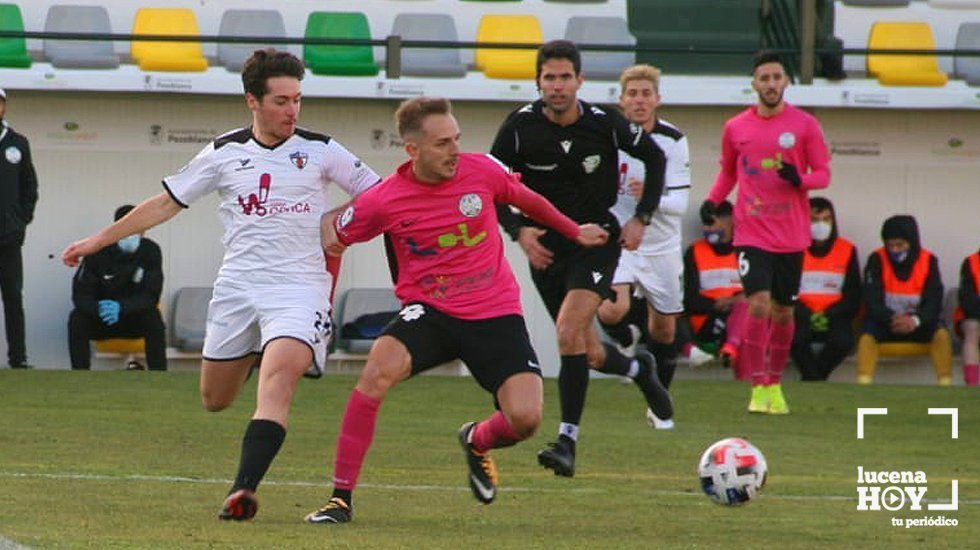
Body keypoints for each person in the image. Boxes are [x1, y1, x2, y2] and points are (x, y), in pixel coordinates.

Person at [61, 49, 381, 521]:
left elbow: (380, 196)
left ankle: (242, 492)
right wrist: (97, 240)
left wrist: (339, 222)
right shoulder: (224, 152)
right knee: (216, 399)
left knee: (276, 384)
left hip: (299, 288)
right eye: (280, 101)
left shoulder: (321, 150)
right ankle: (260, 347)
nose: (292, 110)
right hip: (237, 289)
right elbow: (165, 204)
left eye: (298, 100)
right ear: (252, 100)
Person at [304, 97, 609, 524]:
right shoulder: (383, 199)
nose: (454, 151)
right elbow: (332, 238)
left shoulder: (482, 170)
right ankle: (340, 498)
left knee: (525, 419)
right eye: (442, 143)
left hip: (495, 310)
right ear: (413, 150)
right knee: (375, 373)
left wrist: (574, 230)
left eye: (456, 140)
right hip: (430, 312)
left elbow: (528, 200)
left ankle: (477, 440)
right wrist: (319, 305)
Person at [491, 40, 672, 478]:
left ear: (580, 80)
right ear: (538, 82)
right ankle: (637, 367)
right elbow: (489, 185)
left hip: (596, 241)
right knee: (586, 351)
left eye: (565, 77)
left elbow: (655, 156)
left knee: (568, 331)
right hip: (547, 250)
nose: (557, 86)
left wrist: (640, 218)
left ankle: (567, 441)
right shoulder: (519, 127)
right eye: (549, 78)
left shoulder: (605, 123)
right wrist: (520, 232)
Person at [700, 50, 831, 414]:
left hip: (790, 236)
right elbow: (729, 171)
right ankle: (757, 385)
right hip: (751, 232)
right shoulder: (736, 127)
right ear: (754, 83)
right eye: (764, 78)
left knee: (783, 312)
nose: (771, 84)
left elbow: (823, 174)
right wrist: (712, 201)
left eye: (777, 77)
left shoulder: (805, 125)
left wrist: (800, 179)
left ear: (786, 81)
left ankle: (775, 383)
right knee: (757, 303)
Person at [596, 64, 689, 430]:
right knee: (608, 310)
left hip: (661, 245)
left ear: (657, 100)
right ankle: (628, 337)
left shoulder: (673, 140)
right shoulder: (608, 136)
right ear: (621, 101)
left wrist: (649, 199)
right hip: (620, 242)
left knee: (665, 331)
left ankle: (658, 401)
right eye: (632, 94)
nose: (639, 100)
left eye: (645, 94)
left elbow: (680, 205)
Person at [68, 205, 167, 371]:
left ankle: (159, 374)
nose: (133, 234)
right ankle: (80, 374)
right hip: (101, 319)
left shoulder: (151, 251)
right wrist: (98, 309)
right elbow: (81, 294)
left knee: (154, 320)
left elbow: (151, 295)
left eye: (138, 229)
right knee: (77, 319)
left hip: (133, 318)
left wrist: (122, 307)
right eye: (128, 229)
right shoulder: (97, 251)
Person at [857, 214, 952, 385]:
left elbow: (934, 301)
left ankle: (945, 384)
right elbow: (872, 300)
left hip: (918, 323)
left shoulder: (929, 261)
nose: (894, 250)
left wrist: (915, 321)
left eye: (900, 245)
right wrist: (893, 319)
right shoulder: (876, 259)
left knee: (942, 335)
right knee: (866, 337)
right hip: (886, 322)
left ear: (912, 242)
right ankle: (863, 383)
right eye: (890, 245)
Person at [791, 197, 859, 381]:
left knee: (844, 341)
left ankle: (813, 378)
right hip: (800, 316)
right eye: (814, 220)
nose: (820, 225)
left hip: (835, 316)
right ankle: (815, 378)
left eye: (826, 219)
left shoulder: (847, 249)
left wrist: (830, 314)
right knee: (793, 339)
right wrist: (805, 314)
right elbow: (784, 289)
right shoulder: (792, 249)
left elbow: (853, 293)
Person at [679, 200, 748, 378]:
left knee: (748, 311)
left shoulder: (746, 252)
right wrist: (723, 303)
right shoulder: (694, 252)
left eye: (711, 223)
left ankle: (732, 353)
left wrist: (734, 302)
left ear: (730, 221)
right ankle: (731, 349)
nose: (707, 229)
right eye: (704, 224)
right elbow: (690, 299)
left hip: (738, 319)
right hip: (706, 322)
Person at [0, 87, 38, 369]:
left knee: (13, 298)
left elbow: (29, 187)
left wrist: (20, 220)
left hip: (9, 238)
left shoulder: (18, 143)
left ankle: (18, 358)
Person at [956, 248, 980, 386]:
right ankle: (972, 386)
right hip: (975, 316)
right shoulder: (971, 262)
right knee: (972, 328)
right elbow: (967, 300)